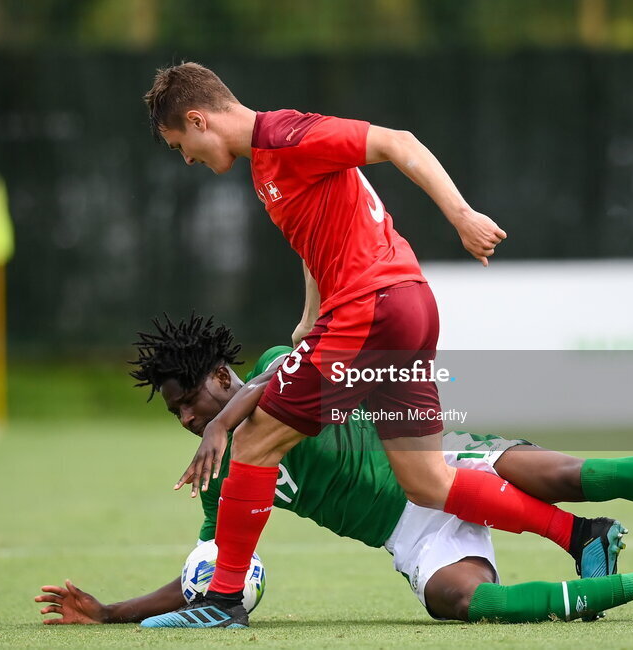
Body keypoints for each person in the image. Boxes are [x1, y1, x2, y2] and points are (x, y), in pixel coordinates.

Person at [141, 61, 587, 630]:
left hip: (372, 307)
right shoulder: (265, 168)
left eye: (181, 144)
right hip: (394, 308)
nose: (187, 159)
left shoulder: (289, 136)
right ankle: (581, 534)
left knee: (253, 444)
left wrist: (461, 215)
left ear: (200, 119)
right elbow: (317, 241)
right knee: (425, 481)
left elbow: (398, 143)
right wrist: (310, 319)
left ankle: (223, 602)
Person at [36, 316, 633, 627]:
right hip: (412, 536)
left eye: (193, 402)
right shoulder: (222, 476)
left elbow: (281, 372)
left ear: (222, 376)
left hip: (435, 458)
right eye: (179, 415)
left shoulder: (270, 377)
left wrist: (222, 421)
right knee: (459, 606)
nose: (190, 420)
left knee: (565, 473)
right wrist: (111, 611)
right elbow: (212, 571)